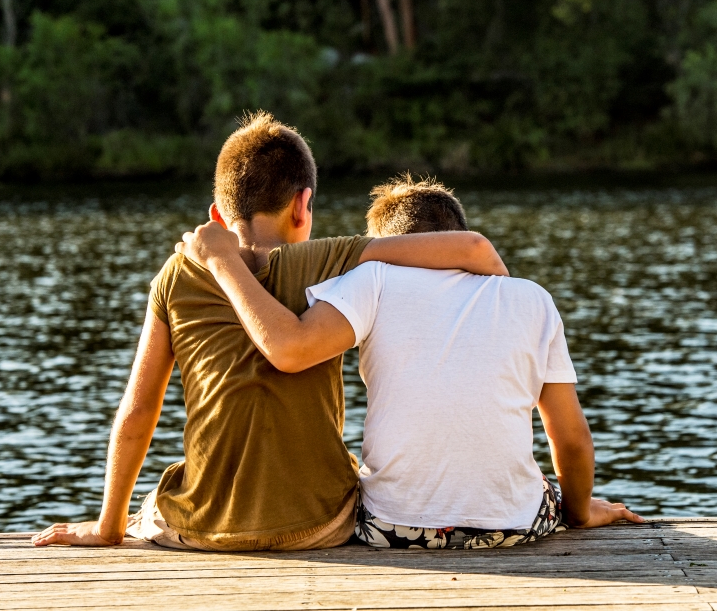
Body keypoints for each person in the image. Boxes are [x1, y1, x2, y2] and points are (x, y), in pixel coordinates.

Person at [32, 115, 509, 551]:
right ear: (303, 205)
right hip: (320, 524)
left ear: (217, 216)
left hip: (202, 529)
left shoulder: (177, 276)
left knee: (161, 497)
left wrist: (107, 527)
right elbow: (473, 248)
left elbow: (138, 412)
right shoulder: (329, 260)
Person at [176, 175, 644, 549]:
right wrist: (580, 514)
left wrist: (223, 264)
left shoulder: (372, 279)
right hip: (515, 528)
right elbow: (574, 441)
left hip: (391, 531)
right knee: (533, 476)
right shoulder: (532, 299)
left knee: (358, 470)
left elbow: (291, 348)